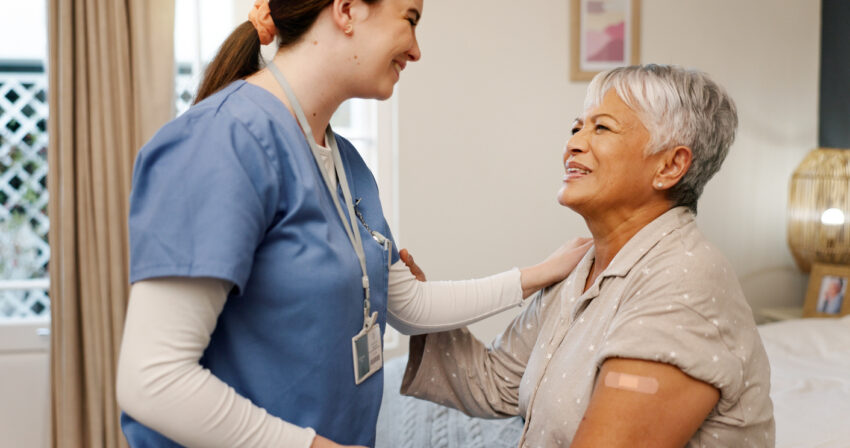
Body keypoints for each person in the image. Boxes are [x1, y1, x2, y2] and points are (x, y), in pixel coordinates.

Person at [115, 0, 591, 447]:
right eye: (410, 19)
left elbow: (407, 305)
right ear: (346, 10)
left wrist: (539, 274)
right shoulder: (222, 142)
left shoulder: (344, 160)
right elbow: (153, 381)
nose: (416, 50)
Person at [399, 64, 776, 447]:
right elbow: (495, 382)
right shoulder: (581, 269)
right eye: (576, 127)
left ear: (670, 165)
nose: (574, 144)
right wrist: (412, 300)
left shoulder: (684, 279)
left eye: (602, 128)